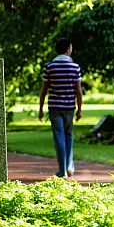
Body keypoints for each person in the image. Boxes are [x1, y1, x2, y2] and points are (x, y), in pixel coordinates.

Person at [38, 38, 83, 179]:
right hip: (69, 107)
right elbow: (79, 92)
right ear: (68, 49)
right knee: (68, 136)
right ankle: (69, 167)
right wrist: (80, 110)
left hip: (54, 107)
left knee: (59, 137)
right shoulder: (75, 67)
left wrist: (40, 109)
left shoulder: (49, 67)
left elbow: (44, 90)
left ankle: (62, 170)